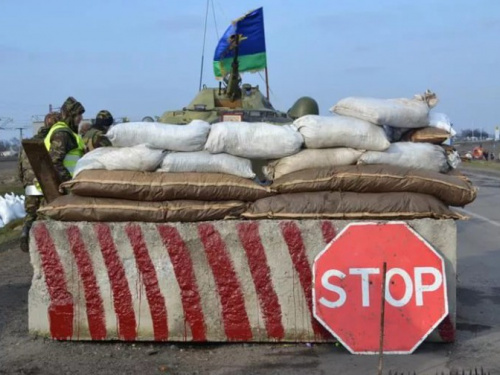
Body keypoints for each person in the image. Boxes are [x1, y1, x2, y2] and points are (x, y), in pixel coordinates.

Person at [18, 112, 61, 252]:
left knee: (30, 213)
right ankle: (41, 243)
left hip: (29, 184)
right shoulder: (51, 141)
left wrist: (24, 183)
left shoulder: (27, 143)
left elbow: (19, 167)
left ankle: (25, 233)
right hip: (42, 184)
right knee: (44, 214)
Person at [44, 97, 86, 183]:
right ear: (71, 115)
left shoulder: (68, 132)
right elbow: (54, 161)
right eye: (78, 115)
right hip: (61, 185)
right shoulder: (62, 133)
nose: (81, 118)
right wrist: (69, 182)